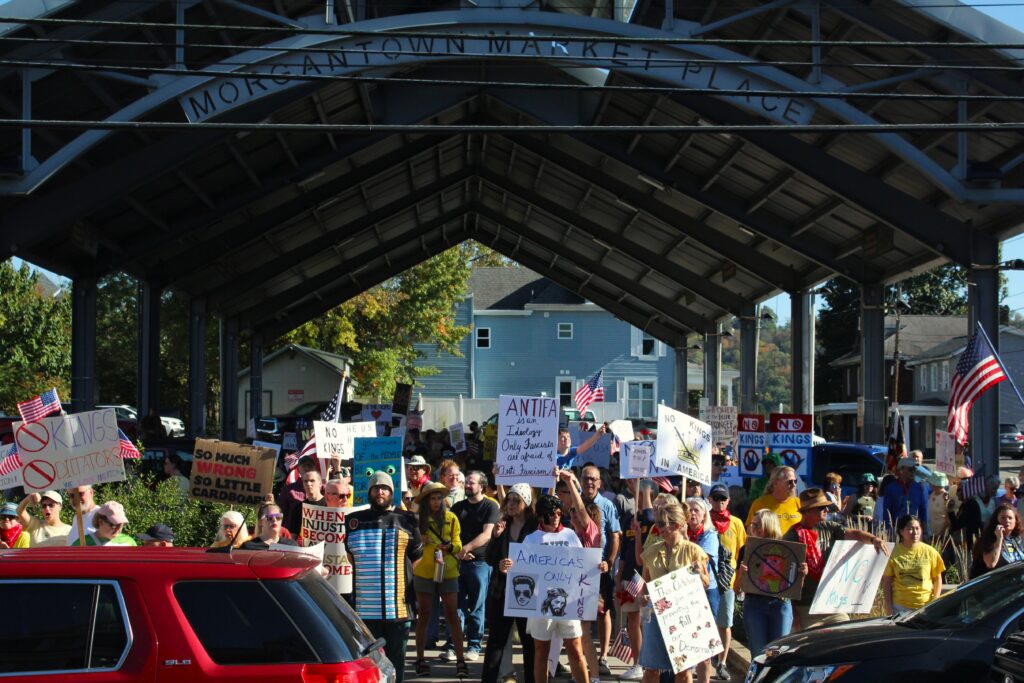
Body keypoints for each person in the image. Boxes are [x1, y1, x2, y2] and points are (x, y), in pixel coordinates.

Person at [502, 494, 590, 683]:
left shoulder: (570, 535)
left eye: (559, 512)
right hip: (541, 603)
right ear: (542, 515)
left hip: (570, 602)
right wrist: (506, 566)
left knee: (575, 649)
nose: (556, 516)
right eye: (551, 513)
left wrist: (598, 567)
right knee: (541, 651)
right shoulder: (531, 539)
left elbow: (583, 564)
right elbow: (519, 569)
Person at [346, 471, 423, 683]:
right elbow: (350, 556)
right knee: (369, 661)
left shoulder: (407, 520)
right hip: (365, 609)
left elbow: (416, 557)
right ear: (369, 492)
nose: (380, 492)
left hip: (398, 609)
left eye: (385, 488)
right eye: (376, 488)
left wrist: (400, 581)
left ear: (392, 492)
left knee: (396, 659)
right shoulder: (353, 521)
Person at [783, 488, 887, 630]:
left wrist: (874, 539)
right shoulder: (792, 536)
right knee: (811, 646)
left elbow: (854, 533)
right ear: (807, 512)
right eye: (820, 508)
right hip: (805, 607)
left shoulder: (828, 527)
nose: (826, 510)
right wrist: (794, 614)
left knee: (847, 633)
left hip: (831, 604)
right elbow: (785, 580)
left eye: (826, 507)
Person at [639, 501, 709, 683]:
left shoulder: (694, 551)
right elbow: (645, 582)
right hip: (655, 615)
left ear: (676, 526)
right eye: (657, 523)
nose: (657, 528)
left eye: (661, 524)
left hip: (683, 617)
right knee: (651, 669)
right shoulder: (651, 551)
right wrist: (642, 596)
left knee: (682, 670)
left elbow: (706, 583)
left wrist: (700, 574)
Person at [412, 481, 468, 677]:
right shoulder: (418, 521)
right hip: (424, 571)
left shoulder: (452, 518)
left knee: (452, 613)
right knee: (425, 614)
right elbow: (411, 546)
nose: (436, 501)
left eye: (438, 498)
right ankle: (420, 659)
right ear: (426, 501)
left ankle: (461, 660)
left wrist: (449, 547)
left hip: (448, 571)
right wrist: (420, 539)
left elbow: (458, 544)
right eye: (432, 498)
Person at [483, 483, 537, 683]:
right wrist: (496, 543)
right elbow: (489, 557)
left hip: (527, 594)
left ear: (526, 503)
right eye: (509, 500)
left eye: (517, 500)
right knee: (496, 642)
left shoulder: (535, 526)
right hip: (502, 591)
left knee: (529, 643)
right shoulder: (502, 524)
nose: (512, 504)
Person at [452, 470, 501, 662]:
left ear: (482, 486)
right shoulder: (457, 507)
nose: (467, 485)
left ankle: (473, 645)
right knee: (455, 606)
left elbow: (487, 534)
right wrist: (458, 552)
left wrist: (466, 548)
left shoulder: (491, 506)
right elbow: (449, 533)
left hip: (480, 563)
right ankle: (453, 645)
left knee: (477, 606)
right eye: (467, 482)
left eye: (472, 483)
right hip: (457, 562)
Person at [580, 463, 621, 676]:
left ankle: (603, 656)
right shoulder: (573, 502)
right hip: (577, 568)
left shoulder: (607, 505)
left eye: (592, 479)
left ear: (599, 483)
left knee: (602, 611)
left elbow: (615, 535)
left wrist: (610, 561)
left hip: (601, 567)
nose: (589, 482)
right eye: (585, 478)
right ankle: (583, 660)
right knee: (580, 614)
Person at [736, 510, 794, 658]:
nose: (752, 528)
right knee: (759, 655)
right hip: (755, 604)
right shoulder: (746, 549)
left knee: (779, 654)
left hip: (780, 604)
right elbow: (737, 589)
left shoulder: (787, 549)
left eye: (756, 525)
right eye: (751, 524)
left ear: (768, 526)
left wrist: (801, 573)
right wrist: (741, 574)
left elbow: (794, 587)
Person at [708, 484, 745, 682]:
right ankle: (706, 660)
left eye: (723, 499)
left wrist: (739, 581)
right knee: (707, 622)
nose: (720, 502)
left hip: (728, 581)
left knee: (725, 622)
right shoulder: (704, 520)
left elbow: (741, 555)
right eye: (716, 498)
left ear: (728, 500)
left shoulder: (737, 523)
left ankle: (722, 663)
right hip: (707, 581)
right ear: (709, 499)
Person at [882, 514, 945, 615]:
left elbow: (937, 578)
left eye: (917, 528)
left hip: (925, 606)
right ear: (901, 531)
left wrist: (935, 600)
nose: (915, 532)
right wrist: (888, 607)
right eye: (910, 529)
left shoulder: (930, 552)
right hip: (900, 607)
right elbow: (886, 582)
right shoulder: (892, 552)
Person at [970, 503, 1024, 578]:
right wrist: (999, 539)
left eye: (1010, 518)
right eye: (1003, 518)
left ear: (1015, 521)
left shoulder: (1018, 540)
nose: (1007, 521)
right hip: (992, 586)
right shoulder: (988, 539)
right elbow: (991, 563)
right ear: (996, 520)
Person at [746, 466, 802, 535]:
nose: (794, 485)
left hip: (794, 546)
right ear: (775, 483)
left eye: (795, 481)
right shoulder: (760, 503)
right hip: (769, 545)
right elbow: (750, 531)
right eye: (790, 482)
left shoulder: (799, 503)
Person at [879, 457, 929, 532]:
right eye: (910, 469)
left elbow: (923, 510)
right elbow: (886, 512)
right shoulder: (891, 488)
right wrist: (889, 531)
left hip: (915, 531)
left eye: (915, 470)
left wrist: (925, 530)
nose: (913, 472)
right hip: (898, 531)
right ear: (901, 470)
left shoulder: (918, 487)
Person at [957, 475, 1001, 548]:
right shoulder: (974, 501)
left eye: (997, 488)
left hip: (990, 535)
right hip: (976, 535)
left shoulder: (995, 501)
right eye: (993, 488)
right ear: (986, 488)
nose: (995, 491)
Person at [927, 472, 952, 539]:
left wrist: (941, 534)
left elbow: (948, 519)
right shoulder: (932, 494)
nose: (930, 485)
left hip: (940, 535)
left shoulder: (945, 497)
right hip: (930, 532)